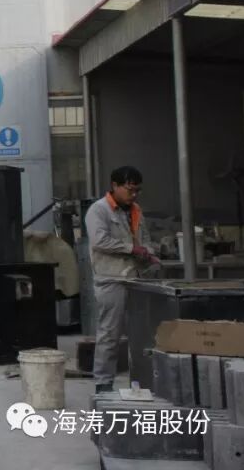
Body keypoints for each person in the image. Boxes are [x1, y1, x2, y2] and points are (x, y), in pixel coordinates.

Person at [85, 165, 159, 393]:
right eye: (129, 189)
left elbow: (144, 239)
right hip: (111, 279)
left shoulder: (135, 210)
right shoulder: (99, 210)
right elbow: (99, 241)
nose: (134, 194)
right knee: (110, 333)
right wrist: (132, 249)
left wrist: (148, 253)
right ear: (114, 186)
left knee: (142, 334)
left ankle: (142, 382)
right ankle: (103, 384)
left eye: (137, 190)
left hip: (136, 278)